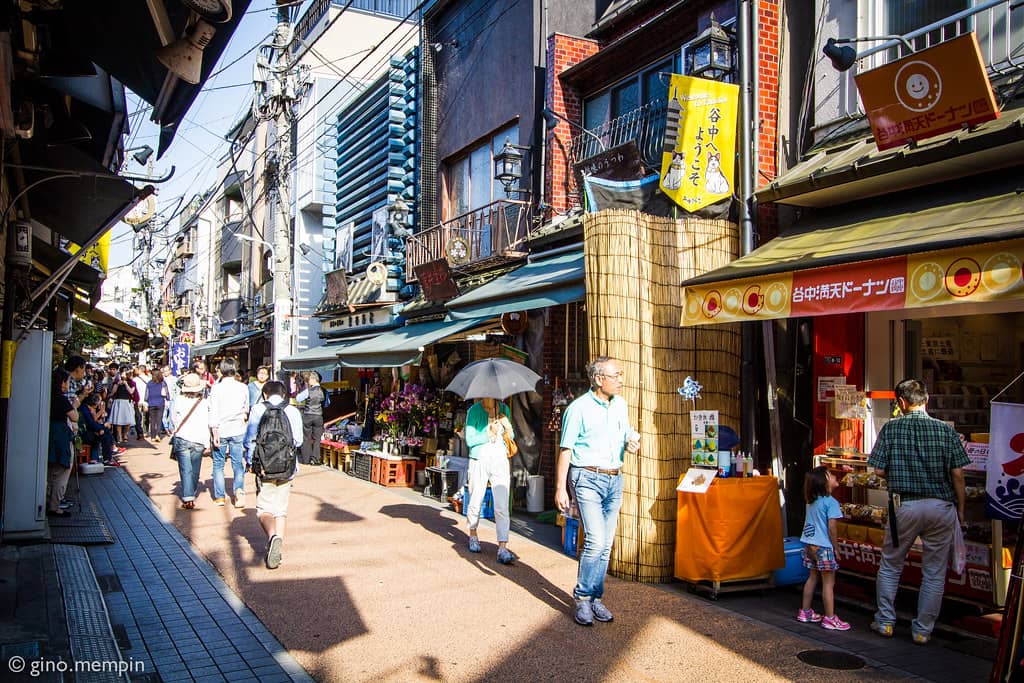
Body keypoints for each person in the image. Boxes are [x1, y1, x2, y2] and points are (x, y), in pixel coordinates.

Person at [868, 378, 969, 644]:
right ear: (927, 399)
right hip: (941, 507)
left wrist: (899, 472)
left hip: (905, 505)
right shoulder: (945, 430)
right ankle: (923, 630)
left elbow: (878, 469)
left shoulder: (891, 428)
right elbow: (958, 475)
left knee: (891, 564)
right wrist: (961, 509)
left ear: (901, 402)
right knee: (934, 571)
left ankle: (885, 622)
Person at [555, 356, 639, 626]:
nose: (621, 380)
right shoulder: (578, 409)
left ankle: (595, 597)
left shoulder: (621, 405)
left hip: (615, 478)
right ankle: (582, 598)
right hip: (586, 477)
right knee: (595, 540)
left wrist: (631, 443)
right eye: (616, 375)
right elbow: (566, 450)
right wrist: (560, 488)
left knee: (606, 543)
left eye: (621, 374)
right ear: (599, 379)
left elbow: (626, 435)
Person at [244, 380, 302, 569]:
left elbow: (250, 439)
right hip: (287, 466)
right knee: (281, 509)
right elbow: (298, 441)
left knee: (264, 509)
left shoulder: (257, 409)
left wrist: (250, 461)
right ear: (284, 394)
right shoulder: (293, 411)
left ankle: (272, 537)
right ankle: (278, 548)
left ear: (265, 394)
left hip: (264, 466)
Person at [463, 397, 516, 564]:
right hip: (479, 458)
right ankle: (473, 534)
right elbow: (470, 440)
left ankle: (503, 546)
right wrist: (488, 433)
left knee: (502, 503)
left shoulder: (504, 409)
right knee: (476, 498)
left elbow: (511, 436)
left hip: (500, 459)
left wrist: (507, 426)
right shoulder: (473, 411)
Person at [798, 465, 850, 630]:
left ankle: (805, 611)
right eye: (830, 475)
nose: (834, 476)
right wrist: (836, 548)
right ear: (824, 483)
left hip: (809, 545)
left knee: (812, 578)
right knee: (828, 583)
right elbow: (832, 528)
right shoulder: (831, 502)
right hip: (824, 546)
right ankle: (830, 618)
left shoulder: (811, 501)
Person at [208, 358, 251, 508]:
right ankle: (239, 492)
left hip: (220, 429)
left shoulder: (216, 388)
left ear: (221, 370)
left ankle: (220, 497)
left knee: (218, 464)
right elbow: (246, 408)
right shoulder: (243, 387)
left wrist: (214, 431)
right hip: (238, 428)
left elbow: (212, 410)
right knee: (237, 463)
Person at [171, 373, 212, 510]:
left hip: (182, 436)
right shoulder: (204, 402)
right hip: (199, 439)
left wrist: (176, 428)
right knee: (195, 468)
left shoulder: (178, 400)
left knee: (185, 469)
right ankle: (191, 492)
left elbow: (173, 418)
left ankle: (188, 496)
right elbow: (207, 423)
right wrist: (207, 443)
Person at [47, 369, 78, 517]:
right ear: (62, 383)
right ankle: (55, 507)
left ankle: (46, 503)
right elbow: (75, 417)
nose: (67, 385)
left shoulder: (47, 395)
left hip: (49, 434)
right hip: (61, 437)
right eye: (67, 382)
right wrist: (75, 405)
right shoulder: (61, 399)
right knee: (62, 472)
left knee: (50, 472)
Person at [298, 371, 329, 466]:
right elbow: (327, 403)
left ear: (313, 379)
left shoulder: (309, 391)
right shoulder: (324, 391)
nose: (308, 381)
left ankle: (306, 459)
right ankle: (315, 459)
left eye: (309, 380)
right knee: (317, 439)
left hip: (307, 415)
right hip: (318, 416)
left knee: (306, 438)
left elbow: (298, 398)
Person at [80, 392, 116, 465]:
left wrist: (100, 428)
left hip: (88, 431)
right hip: (84, 434)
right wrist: (102, 426)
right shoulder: (85, 409)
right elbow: (91, 423)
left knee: (104, 432)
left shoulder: (86, 408)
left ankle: (96, 458)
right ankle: (107, 457)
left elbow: (93, 423)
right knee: (105, 434)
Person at [108, 370, 136, 443]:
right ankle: (119, 436)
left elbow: (131, 391)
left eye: (125, 375)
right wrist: (117, 384)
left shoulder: (131, 383)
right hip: (118, 402)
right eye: (121, 375)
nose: (123, 376)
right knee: (118, 421)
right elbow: (113, 392)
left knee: (128, 420)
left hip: (127, 402)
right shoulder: (116, 382)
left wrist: (126, 384)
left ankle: (125, 434)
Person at [145, 369, 169, 442]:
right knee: (159, 420)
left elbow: (146, 395)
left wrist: (147, 401)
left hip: (151, 403)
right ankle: (158, 435)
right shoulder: (163, 382)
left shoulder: (149, 383)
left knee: (152, 420)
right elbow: (167, 393)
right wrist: (167, 398)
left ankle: (152, 436)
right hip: (160, 403)